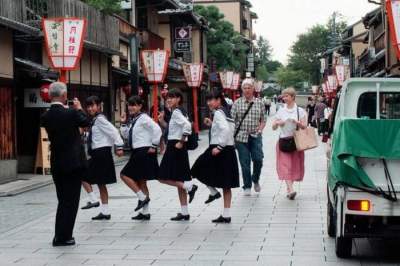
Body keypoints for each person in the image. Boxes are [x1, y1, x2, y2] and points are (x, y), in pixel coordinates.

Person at [41, 82, 90, 246]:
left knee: (62, 200)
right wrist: (79, 108)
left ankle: (59, 235)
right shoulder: (71, 113)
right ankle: (64, 236)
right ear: (64, 96)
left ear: (49, 96)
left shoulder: (45, 116)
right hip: (73, 163)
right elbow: (86, 122)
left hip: (57, 162)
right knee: (71, 201)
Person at [191, 89, 240, 224]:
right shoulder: (226, 111)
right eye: (208, 100)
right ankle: (226, 214)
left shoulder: (218, 113)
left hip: (219, 149)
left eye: (212, 100)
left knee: (196, 169)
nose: (209, 103)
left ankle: (213, 192)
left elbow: (224, 130)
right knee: (226, 184)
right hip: (229, 149)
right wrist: (212, 125)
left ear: (219, 100)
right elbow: (228, 129)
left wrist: (219, 147)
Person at [158, 89, 198, 221]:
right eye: (167, 97)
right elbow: (175, 128)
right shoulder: (181, 111)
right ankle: (184, 212)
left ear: (179, 99)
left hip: (175, 146)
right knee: (179, 180)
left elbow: (187, 126)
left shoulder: (176, 112)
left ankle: (190, 187)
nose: (168, 100)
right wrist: (163, 122)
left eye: (172, 97)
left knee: (162, 177)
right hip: (179, 147)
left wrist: (181, 141)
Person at [120, 96, 162, 221]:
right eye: (129, 105)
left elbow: (157, 129)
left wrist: (154, 145)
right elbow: (127, 135)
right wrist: (123, 123)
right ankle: (145, 212)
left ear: (140, 106)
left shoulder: (144, 118)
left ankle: (142, 197)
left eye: (134, 105)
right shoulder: (135, 120)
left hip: (144, 151)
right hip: (138, 151)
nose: (131, 107)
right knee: (141, 181)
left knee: (124, 175)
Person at [85, 96, 124, 220]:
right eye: (88, 106)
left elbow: (114, 132)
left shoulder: (100, 119)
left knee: (81, 174)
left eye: (93, 105)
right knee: (101, 184)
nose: (90, 108)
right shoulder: (96, 120)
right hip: (99, 154)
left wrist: (119, 147)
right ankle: (105, 212)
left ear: (99, 106)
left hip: (101, 154)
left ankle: (93, 199)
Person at [231, 78, 266, 196]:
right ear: (242, 89)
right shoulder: (237, 103)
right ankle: (247, 185)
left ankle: (255, 179)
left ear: (253, 89)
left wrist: (260, 129)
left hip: (255, 135)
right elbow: (232, 121)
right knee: (244, 163)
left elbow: (263, 119)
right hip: (241, 137)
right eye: (244, 88)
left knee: (258, 159)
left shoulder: (259, 102)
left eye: (249, 88)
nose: (247, 90)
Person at [272, 88, 307, 200]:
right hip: (283, 141)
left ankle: (289, 188)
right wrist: (278, 123)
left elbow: (305, 126)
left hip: (296, 141)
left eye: (286, 96)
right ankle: (291, 190)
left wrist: (298, 123)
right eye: (284, 96)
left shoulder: (300, 111)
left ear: (292, 97)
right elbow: (273, 127)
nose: (284, 98)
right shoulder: (281, 110)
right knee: (286, 166)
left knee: (294, 165)